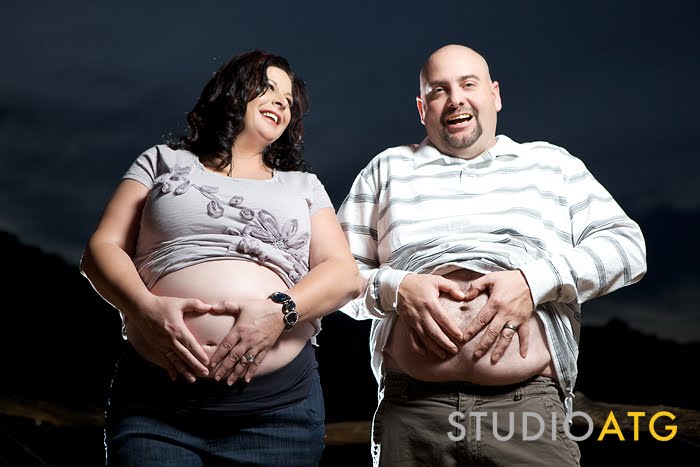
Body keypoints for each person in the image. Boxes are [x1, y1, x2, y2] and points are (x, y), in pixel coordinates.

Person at [337, 44, 647, 466]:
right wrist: (397, 287)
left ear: (495, 95)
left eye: (469, 84)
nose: (456, 99)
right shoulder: (386, 169)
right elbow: (336, 278)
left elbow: (628, 248)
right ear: (422, 108)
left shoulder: (551, 165)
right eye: (439, 90)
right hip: (412, 413)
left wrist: (533, 283)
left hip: (528, 410)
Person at [80, 49, 362, 466]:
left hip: (278, 416)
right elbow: (100, 249)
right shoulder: (161, 161)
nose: (281, 102)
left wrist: (279, 313)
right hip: (155, 409)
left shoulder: (303, 186)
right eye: (268, 88)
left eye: (288, 99)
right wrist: (144, 309)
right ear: (232, 92)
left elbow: (344, 275)